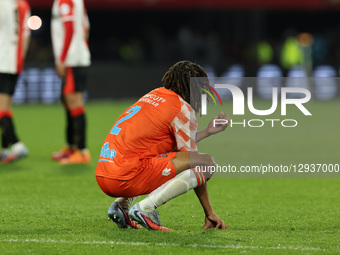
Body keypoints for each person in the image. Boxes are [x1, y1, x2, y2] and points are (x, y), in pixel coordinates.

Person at [95, 61, 230, 231]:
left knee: (154, 158)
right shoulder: (182, 108)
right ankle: (146, 209)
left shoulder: (154, 95)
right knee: (207, 162)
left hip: (105, 171)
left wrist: (207, 132)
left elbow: (170, 149)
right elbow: (194, 160)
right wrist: (209, 212)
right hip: (125, 176)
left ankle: (120, 206)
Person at [51, 0, 91, 164]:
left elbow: (69, 28)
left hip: (71, 60)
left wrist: (62, 59)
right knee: (68, 100)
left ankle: (81, 151)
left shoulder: (65, 1)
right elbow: (85, 28)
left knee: (74, 102)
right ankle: (72, 147)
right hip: (76, 58)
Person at [0, 0, 30, 164]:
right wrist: (19, 60)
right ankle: (4, 150)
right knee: (5, 108)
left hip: (1, 61)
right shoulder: (23, 4)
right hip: (15, 61)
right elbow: (26, 35)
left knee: (1, 109)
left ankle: (17, 145)